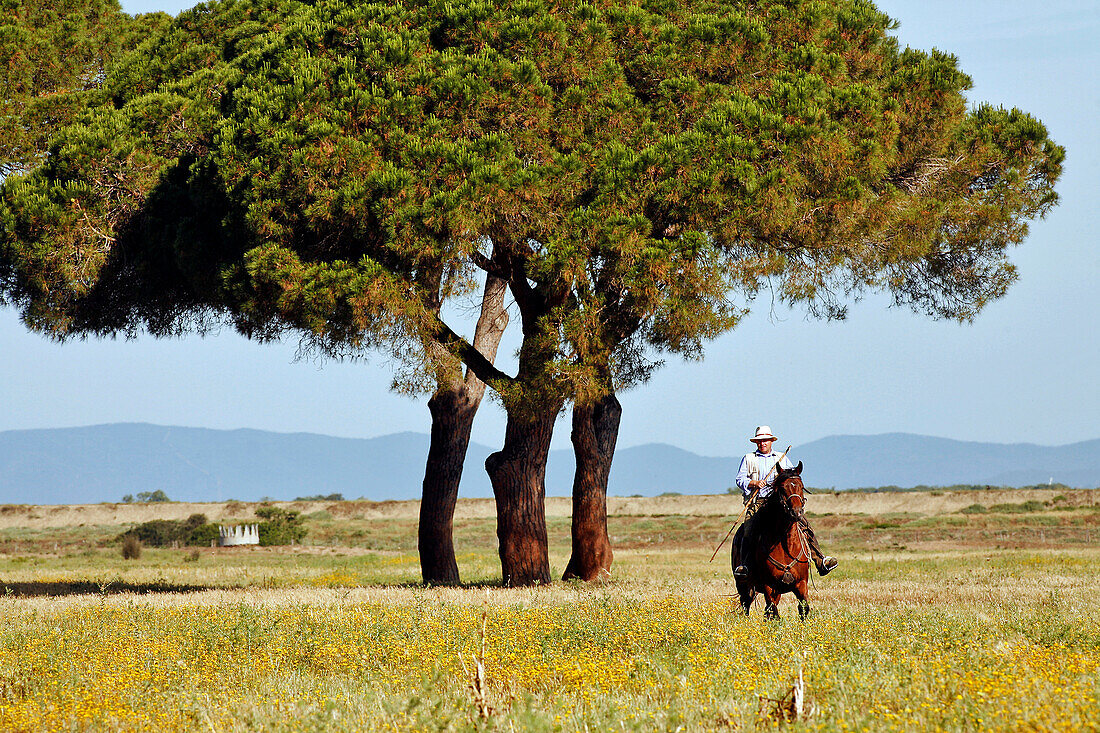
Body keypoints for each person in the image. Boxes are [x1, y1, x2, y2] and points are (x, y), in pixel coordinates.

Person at [732, 426, 838, 578]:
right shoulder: (749, 458)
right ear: (756, 443)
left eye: (765, 440)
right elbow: (740, 479)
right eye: (760, 441)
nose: (763, 443)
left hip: (780, 504)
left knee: (804, 525)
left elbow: (791, 477)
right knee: (749, 530)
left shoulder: (781, 458)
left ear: (771, 441)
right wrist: (754, 483)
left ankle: (820, 561)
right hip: (758, 502)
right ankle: (745, 566)